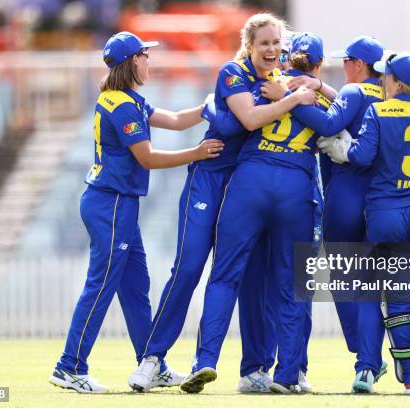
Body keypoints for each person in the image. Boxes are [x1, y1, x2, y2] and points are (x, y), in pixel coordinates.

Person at [127, 13, 316, 393]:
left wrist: (310, 88)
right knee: (190, 267)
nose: (273, 50)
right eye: (264, 43)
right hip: (212, 178)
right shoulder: (233, 72)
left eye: (277, 44)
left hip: (247, 184)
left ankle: (255, 369)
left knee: (253, 279)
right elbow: (245, 120)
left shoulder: (278, 78)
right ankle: (152, 359)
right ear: (249, 46)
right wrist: (295, 98)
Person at [48, 31, 224, 394]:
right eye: (144, 55)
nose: (149, 61)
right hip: (110, 203)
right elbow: (147, 157)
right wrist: (198, 152)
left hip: (117, 203)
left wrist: (209, 106)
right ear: (131, 62)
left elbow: (175, 119)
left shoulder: (126, 99)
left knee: (134, 287)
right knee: (101, 285)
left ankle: (150, 360)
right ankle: (70, 365)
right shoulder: (123, 105)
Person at [180, 31, 328, 395]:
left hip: (250, 182)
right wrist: (316, 92)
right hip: (295, 187)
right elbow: (341, 127)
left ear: (284, 56)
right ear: (319, 65)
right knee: (291, 284)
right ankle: (290, 374)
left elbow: (236, 117)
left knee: (225, 276)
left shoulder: (262, 85)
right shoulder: (316, 101)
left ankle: (206, 361)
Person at [319, 52, 410, 394]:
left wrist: (342, 151)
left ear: (396, 82)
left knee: (398, 296)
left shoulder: (379, 111)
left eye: (387, 78)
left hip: (386, 215)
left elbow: (363, 156)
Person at [263, 35, 389, 393]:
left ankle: (366, 356)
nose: (342, 66)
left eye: (347, 61)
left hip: (347, 193)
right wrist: (318, 86)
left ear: (358, 65)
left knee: (344, 279)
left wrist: (287, 101)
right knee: (371, 283)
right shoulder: (388, 97)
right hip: (380, 197)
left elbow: (330, 125)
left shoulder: (351, 91)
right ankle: (371, 360)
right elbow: (345, 108)